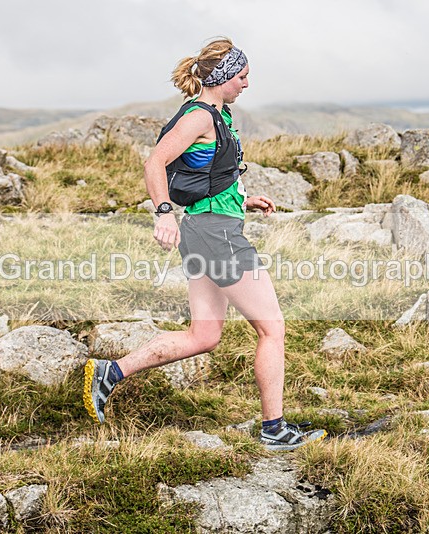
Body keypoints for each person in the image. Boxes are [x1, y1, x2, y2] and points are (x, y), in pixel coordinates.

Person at [84, 37, 326, 452]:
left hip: (207, 227)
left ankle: (110, 373)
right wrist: (163, 212)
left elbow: (208, 174)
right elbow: (154, 162)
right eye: (243, 76)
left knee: (203, 336)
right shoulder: (199, 117)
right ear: (225, 77)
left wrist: (241, 198)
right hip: (215, 236)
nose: (248, 83)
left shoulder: (219, 114)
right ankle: (275, 430)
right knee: (273, 329)